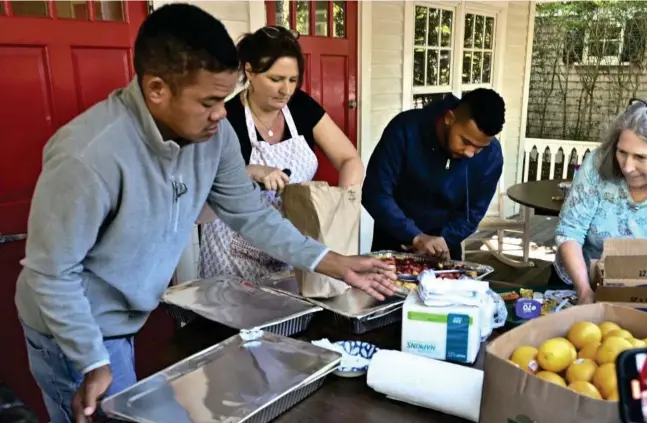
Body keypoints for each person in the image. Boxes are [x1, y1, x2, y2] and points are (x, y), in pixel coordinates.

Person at [14, 5, 396, 423]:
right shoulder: (87, 155)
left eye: (224, 99)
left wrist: (332, 261)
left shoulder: (213, 136)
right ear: (157, 88)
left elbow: (251, 213)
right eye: (210, 102)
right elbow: (51, 275)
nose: (221, 114)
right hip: (72, 329)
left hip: (124, 319)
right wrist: (90, 359)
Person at [198, 26, 364, 282]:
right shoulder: (225, 120)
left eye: (293, 80)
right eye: (276, 80)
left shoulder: (302, 107)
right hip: (233, 253)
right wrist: (250, 173)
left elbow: (348, 159)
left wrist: (342, 205)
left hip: (293, 247)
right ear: (250, 71)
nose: (286, 90)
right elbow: (203, 199)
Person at [553, 97, 647, 304]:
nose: (627, 166)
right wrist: (585, 291)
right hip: (580, 282)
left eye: (641, 157)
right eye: (622, 152)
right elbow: (570, 230)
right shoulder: (598, 162)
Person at [362, 89, 506, 261]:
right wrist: (414, 236)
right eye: (466, 141)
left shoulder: (492, 155)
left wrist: (443, 240)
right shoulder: (405, 129)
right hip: (393, 241)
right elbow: (375, 192)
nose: (470, 153)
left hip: (444, 248)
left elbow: (472, 213)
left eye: (479, 148)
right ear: (449, 119)